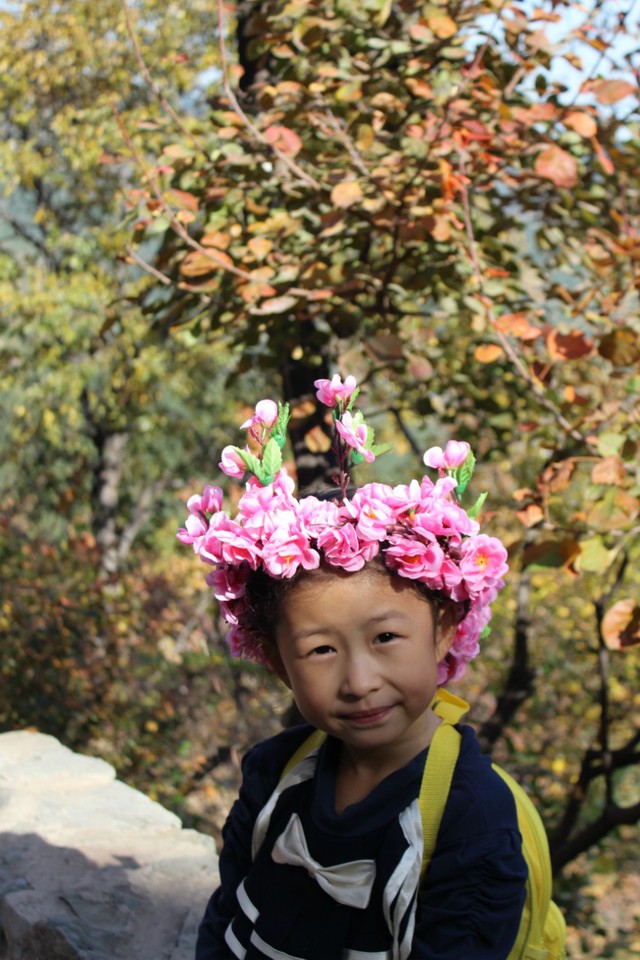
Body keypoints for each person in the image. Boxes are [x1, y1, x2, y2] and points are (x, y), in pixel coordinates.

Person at [178, 376, 528, 960]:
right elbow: (228, 917)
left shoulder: (470, 817)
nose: (360, 680)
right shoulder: (273, 775)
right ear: (276, 661)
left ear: (443, 632)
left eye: (387, 637)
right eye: (320, 650)